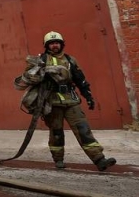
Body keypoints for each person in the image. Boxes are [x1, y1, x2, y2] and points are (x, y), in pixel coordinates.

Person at [20, 31, 116, 171]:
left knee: (83, 129)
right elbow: (28, 77)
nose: (55, 46)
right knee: (56, 132)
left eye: (57, 43)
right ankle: (58, 160)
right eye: (52, 43)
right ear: (47, 46)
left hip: (71, 101)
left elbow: (80, 80)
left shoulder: (70, 60)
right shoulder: (40, 60)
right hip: (52, 103)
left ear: (62, 44)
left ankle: (99, 159)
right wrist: (38, 72)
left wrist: (88, 97)